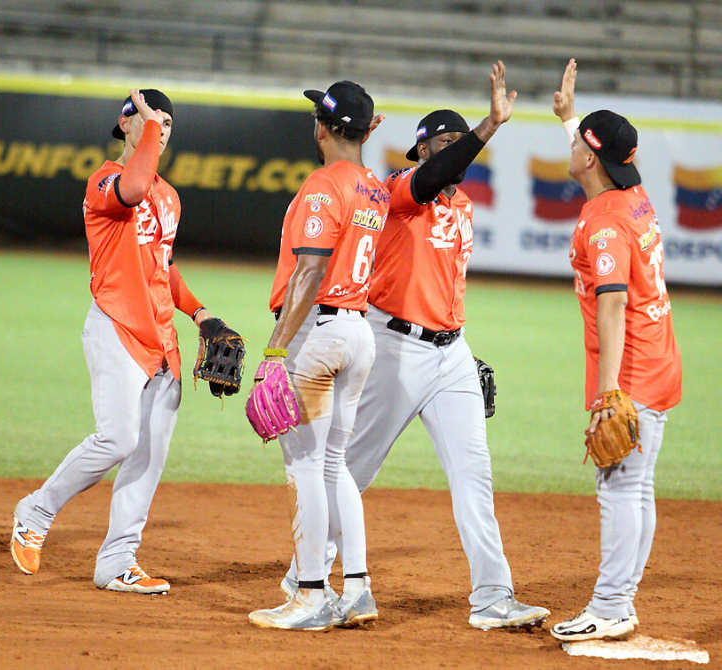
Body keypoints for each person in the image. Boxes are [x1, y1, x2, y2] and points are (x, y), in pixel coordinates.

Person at [279, 62, 549, 630]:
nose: (457, 153)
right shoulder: (402, 191)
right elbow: (432, 178)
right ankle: (308, 572)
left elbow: (443, 285)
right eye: (446, 144)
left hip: (451, 355)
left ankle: (493, 596)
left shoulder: (463, 207)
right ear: (422, 151)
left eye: (461, 142)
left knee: (474, 476)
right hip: (393, 346)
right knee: (352, 467)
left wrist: (459, 344)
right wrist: (487, 128)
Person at [11, 89, 237, 594]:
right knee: (117, 439)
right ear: (126, 122)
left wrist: (201, 313)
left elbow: (164, 267)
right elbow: (132, 188)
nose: (162, 129)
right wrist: (150, 129)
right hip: (116, 326)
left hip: (162, 337)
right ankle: (36, 512)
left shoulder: (170, 196)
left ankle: (117, 561)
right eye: (154, 119)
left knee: (148, 457)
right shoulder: (105, 181)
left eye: (168, 123)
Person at [549, 59, 682, 642]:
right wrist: (570, 119)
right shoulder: (633, 194)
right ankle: (619, 600)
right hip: (660, 359)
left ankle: (610, 607)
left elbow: (611, 305)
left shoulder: (605, 223)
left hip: (632, 371)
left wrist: (608, 392)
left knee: (619, 488)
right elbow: (599, 161)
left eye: (579, 142)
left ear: (591, 158)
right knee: (638, 487)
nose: (574, 147)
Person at [247, 81, 387, 631]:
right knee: (335, 464)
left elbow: (309, 270)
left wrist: (274, 350)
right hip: (359, 332)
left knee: (304, 465)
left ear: (323, 128)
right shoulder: (375, 188)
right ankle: (358, 589)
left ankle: (309, 595)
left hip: (318, 333)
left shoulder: (324, 184)